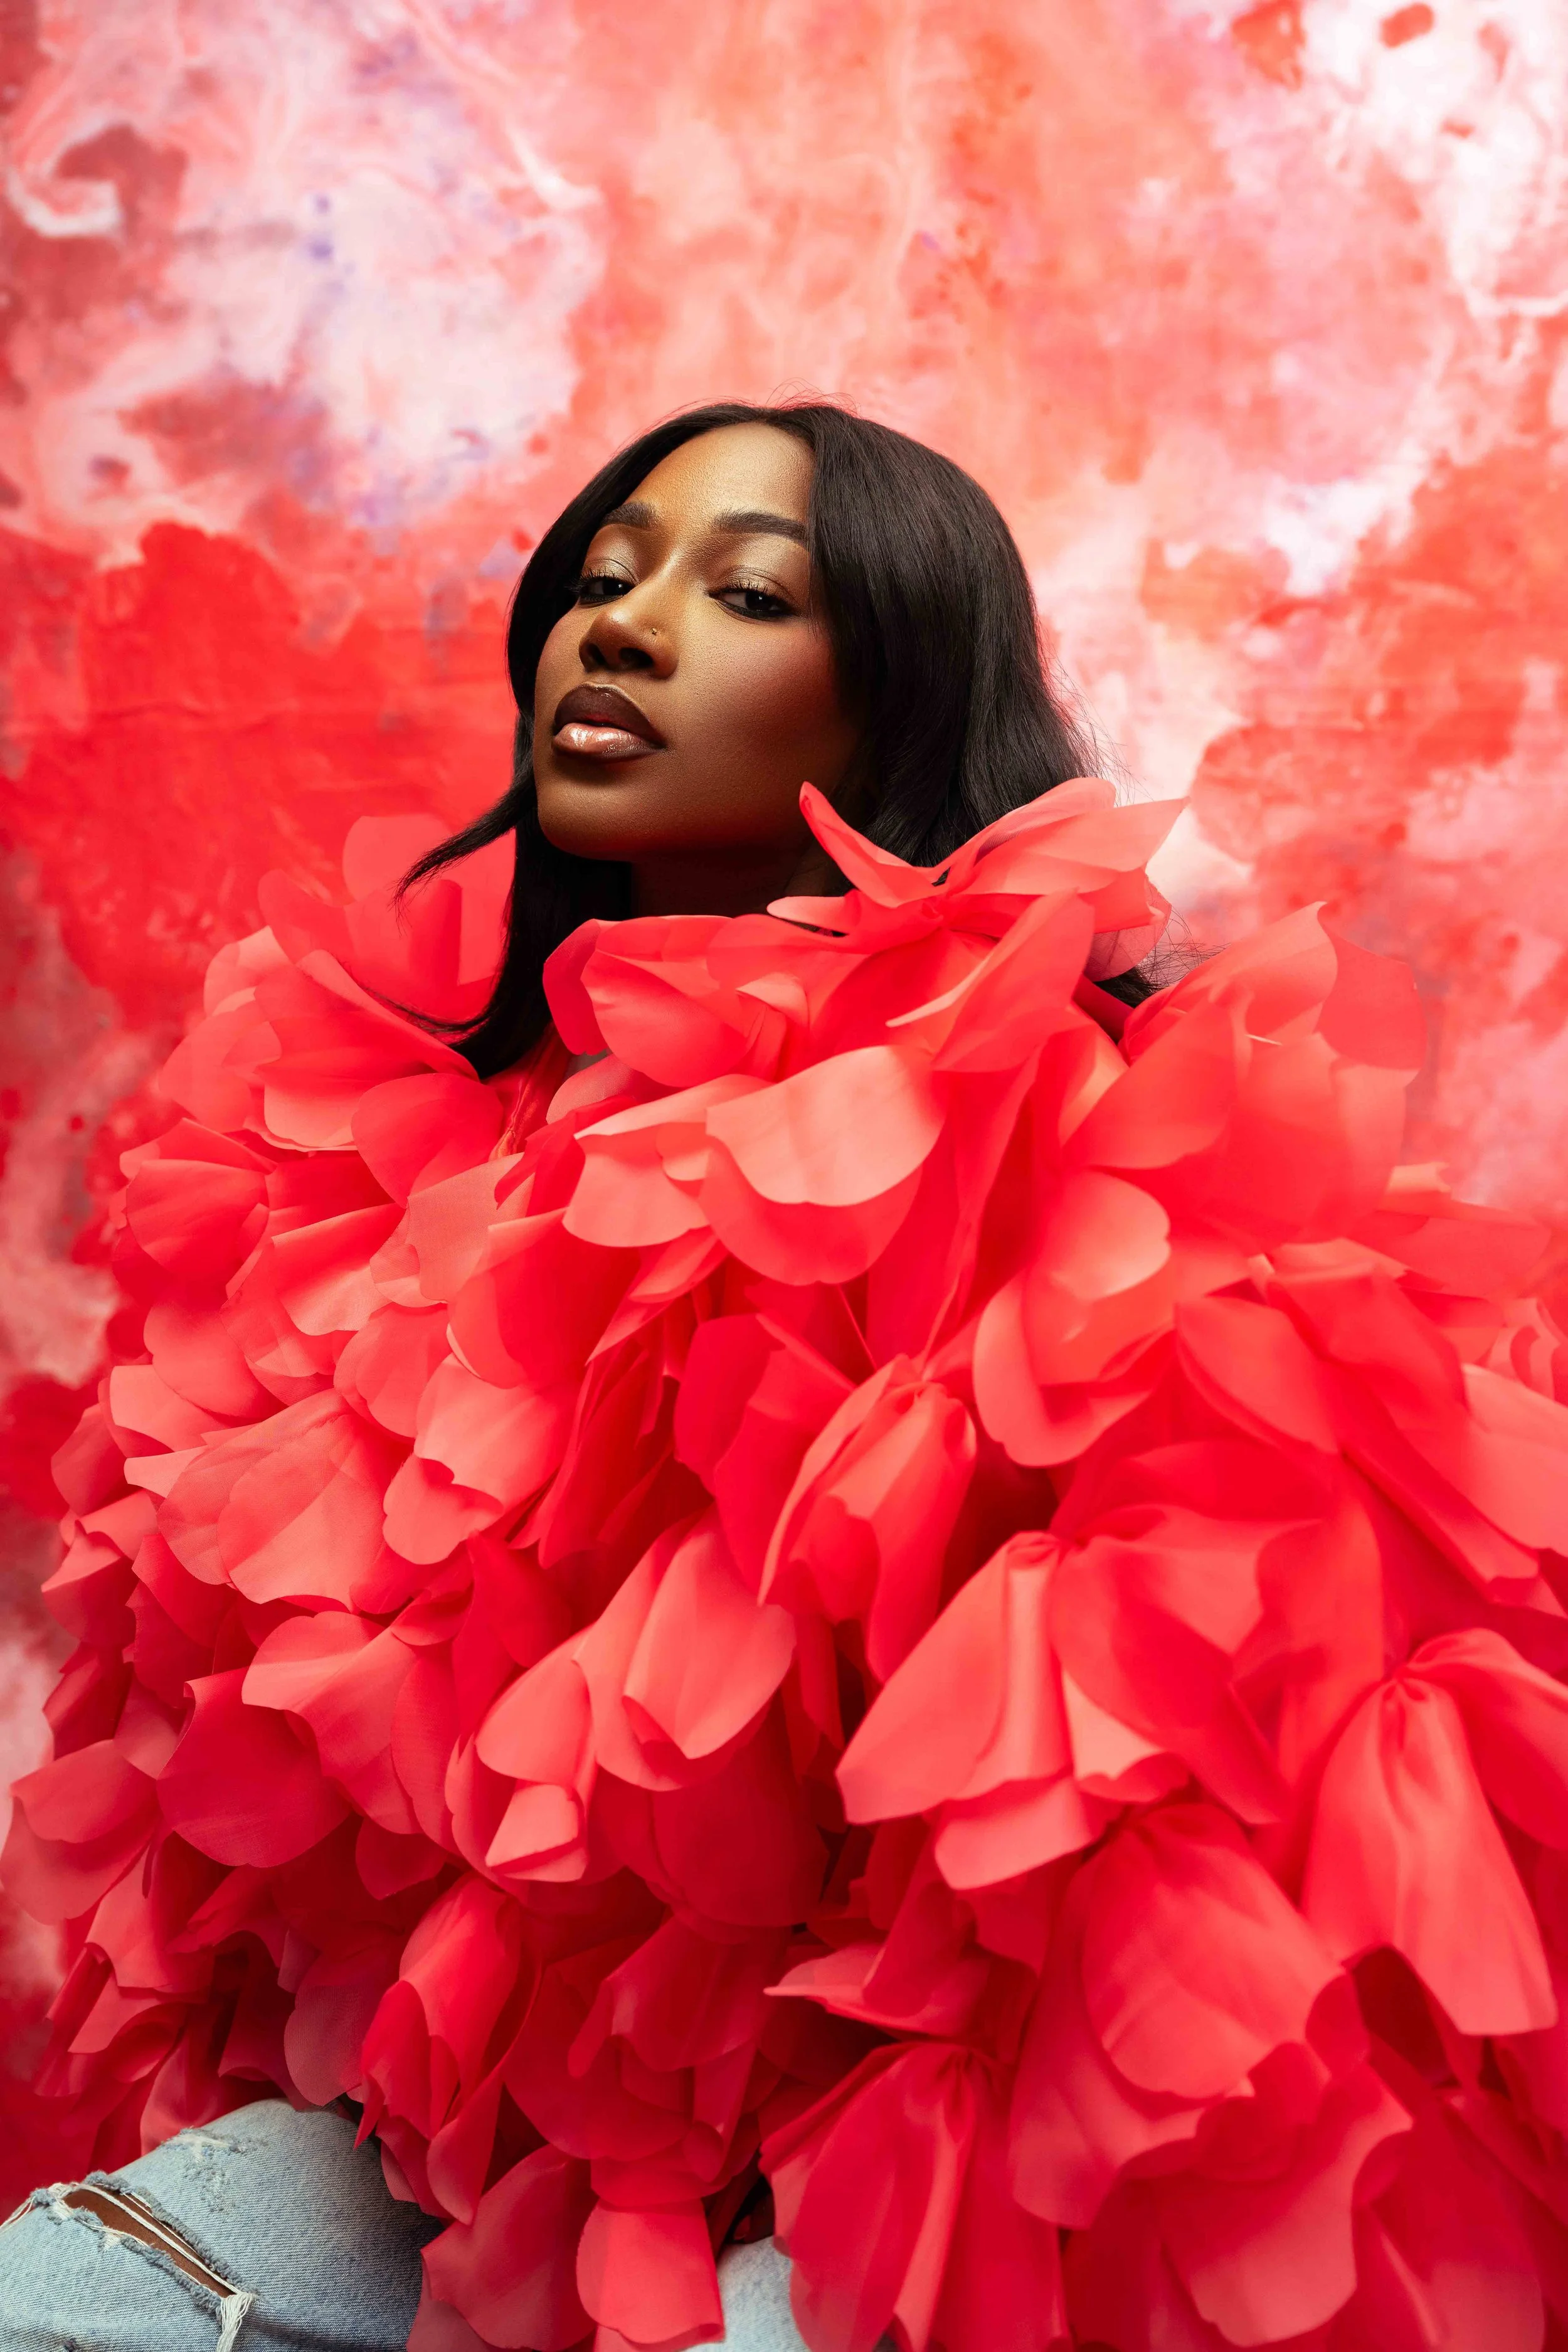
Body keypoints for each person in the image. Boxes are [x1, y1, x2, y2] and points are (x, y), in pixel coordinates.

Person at [6, 400, 1568, 2352]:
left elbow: (1154, 1842)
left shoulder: (1052, 1124)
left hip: (948, 2155)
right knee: (44, 2298)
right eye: (601, 573)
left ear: (901, 693)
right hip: (519, 2143)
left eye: (744, 591)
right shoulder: (404, 1143)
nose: (629, 627)